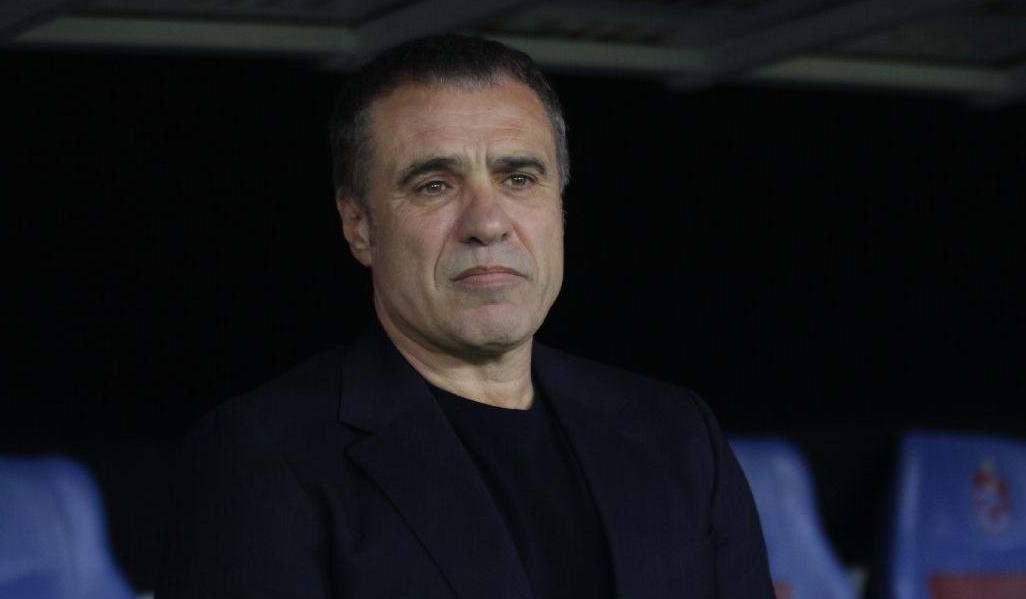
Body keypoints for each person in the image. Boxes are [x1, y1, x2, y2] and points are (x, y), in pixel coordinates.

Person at [157, 34, 775, 599]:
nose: (488, 222)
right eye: (435, 184)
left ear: (559, 203)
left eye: (519, 178)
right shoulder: (262, 457)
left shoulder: (676, 433)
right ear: (359, 226)